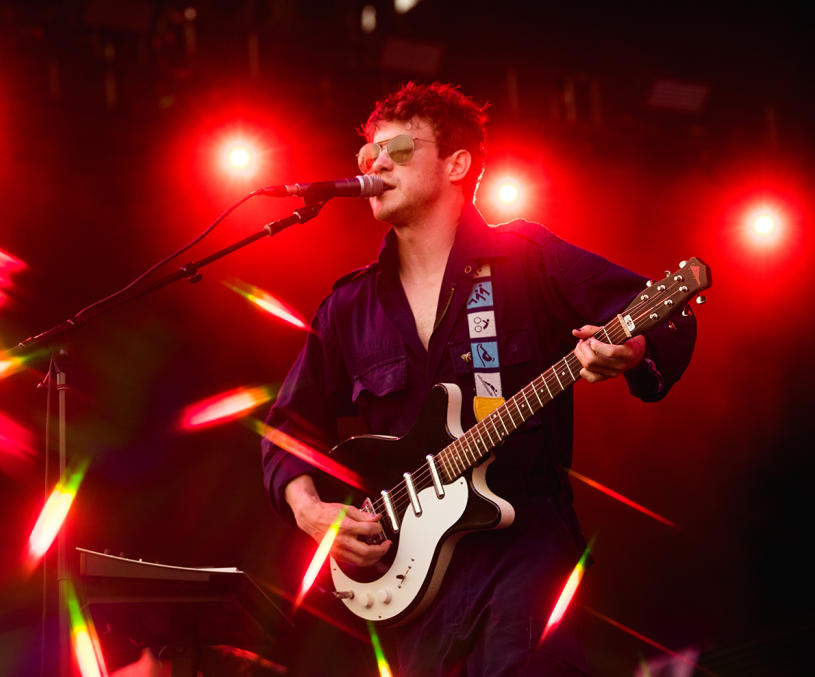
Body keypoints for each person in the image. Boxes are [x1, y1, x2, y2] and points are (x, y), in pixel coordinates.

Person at [261, 82, 696, 676]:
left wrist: (631, 348)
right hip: (409, 589)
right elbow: (288, 425)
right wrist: (312, 510)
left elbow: (662, 313)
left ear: (457, 164)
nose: (377, 163)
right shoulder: (349, 306)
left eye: (399, 150)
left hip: (521, 555)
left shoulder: (528, 259)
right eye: (368, 155)